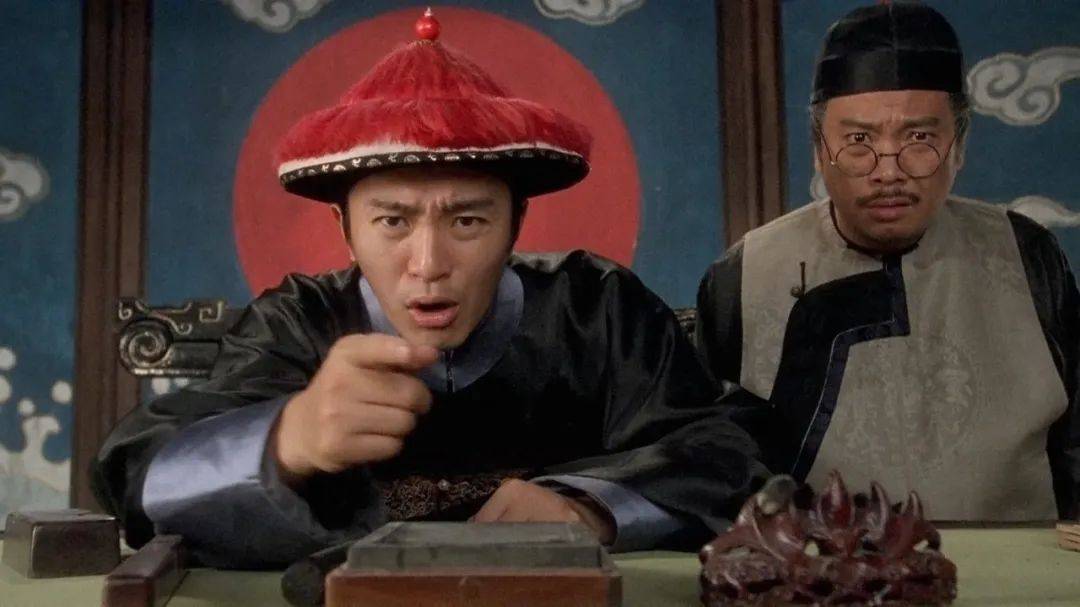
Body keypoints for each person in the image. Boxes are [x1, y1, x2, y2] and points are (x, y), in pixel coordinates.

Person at [92, 10, 766, 568]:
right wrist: (284, 440)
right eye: (393, 221)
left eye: (467, 221)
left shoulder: (597, 310)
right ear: (345, 230)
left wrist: (588, 508)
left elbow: (726, 452)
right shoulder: (297, 324)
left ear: (516, 225)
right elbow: (133, 474)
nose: (429, 263)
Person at [696, 2, 1079, 521]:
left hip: (1020, 561)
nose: (889, 171)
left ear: (959, 145)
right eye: (859, 141)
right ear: (819, 149)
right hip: (820, 565)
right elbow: (711, 469)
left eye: (920, 138)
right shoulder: (743, 276)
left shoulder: (1026, 254)